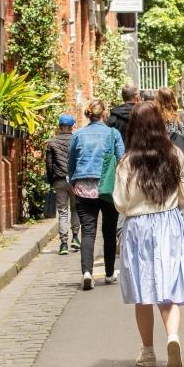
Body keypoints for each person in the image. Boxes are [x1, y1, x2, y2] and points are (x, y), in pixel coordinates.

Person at [113, 102, 184, 367]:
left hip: (139, 228)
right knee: (169, 289)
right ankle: (172, 337)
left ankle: (148, 351)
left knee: (144, 292)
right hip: (169, 224)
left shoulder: (127, 161)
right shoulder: (174, 154)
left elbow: (119, 202)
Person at [68, 99, 125, 290]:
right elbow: (122, 159)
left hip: (84, 188)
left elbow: (71, 162)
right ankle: (109, 273)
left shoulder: (78, 134)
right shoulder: (112, 133)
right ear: (104, 113)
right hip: (107, 187)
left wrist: (73, 182)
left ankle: (87, 272)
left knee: (88, 232)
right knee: (109, 232)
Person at [45, 114, 80, 255]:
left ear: (60, 126)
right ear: (72, 127)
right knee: (75, 209)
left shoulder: (52, 142)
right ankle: (76, 237)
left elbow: (49, 164)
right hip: (74, 180)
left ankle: (64, 243)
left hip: (59, 180)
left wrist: (51, 180)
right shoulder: (76, 140)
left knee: (63, 212)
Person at [154, 86, 184, 175]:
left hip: (159, 169)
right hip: (181, 168)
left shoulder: (153, 120)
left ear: (157, 101)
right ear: (173, 99)